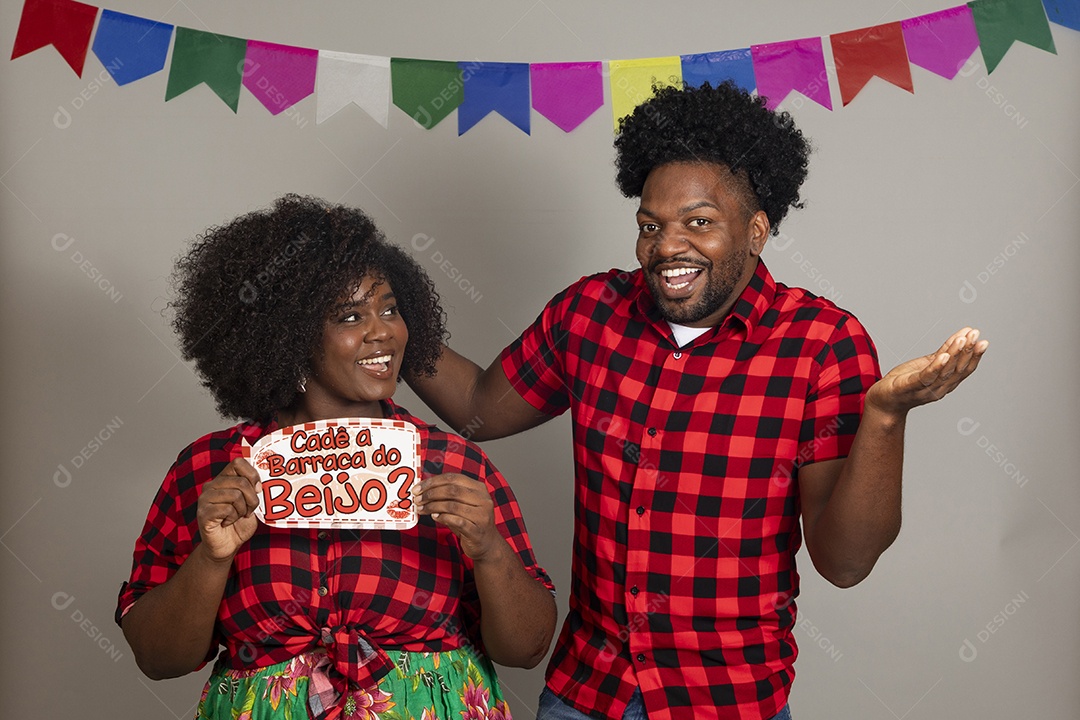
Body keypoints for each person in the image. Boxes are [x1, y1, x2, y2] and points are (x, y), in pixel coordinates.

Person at [407, 81, 988, 720]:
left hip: (728, 703)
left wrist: (885, 415)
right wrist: (385, 328)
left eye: (699, 223)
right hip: (586, 694)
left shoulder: (823, 344)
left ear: (758, 229)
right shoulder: (590, 314)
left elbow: (844, 561)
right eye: (650, 225)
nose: (667, 246)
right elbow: (477, 409)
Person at [116, 195, 557, 720]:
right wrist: (212, 558)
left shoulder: (453, 462)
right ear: (290, 336)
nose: (383, 332)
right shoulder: (214, 469)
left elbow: (526, 650)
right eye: (351, 316)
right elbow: (158, 659)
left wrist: (487, 549)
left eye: (390, 309)